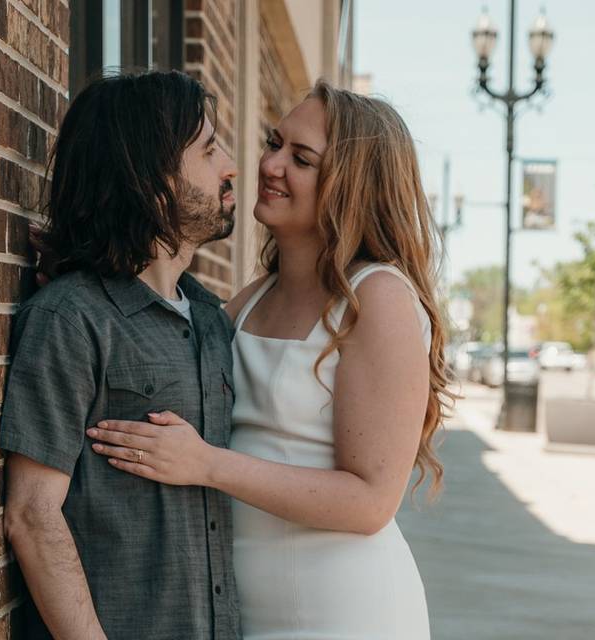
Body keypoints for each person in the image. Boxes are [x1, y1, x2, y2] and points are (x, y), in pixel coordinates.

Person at [89, 81, 453, 639]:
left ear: (349, 188)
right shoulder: (252, 298)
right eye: (274, 142)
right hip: (244, 617)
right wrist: (86, 277)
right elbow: (157, 332)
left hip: (345, 614)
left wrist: (207, 463)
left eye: (301, 158)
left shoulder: (378, 298)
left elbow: (371, 501)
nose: (270, 164)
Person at [0, 70, 241, 640]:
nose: (230, 165)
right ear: (152, 181)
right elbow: (32, 516)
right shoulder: (71, 318)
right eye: (209, 151)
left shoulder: (210, 320)